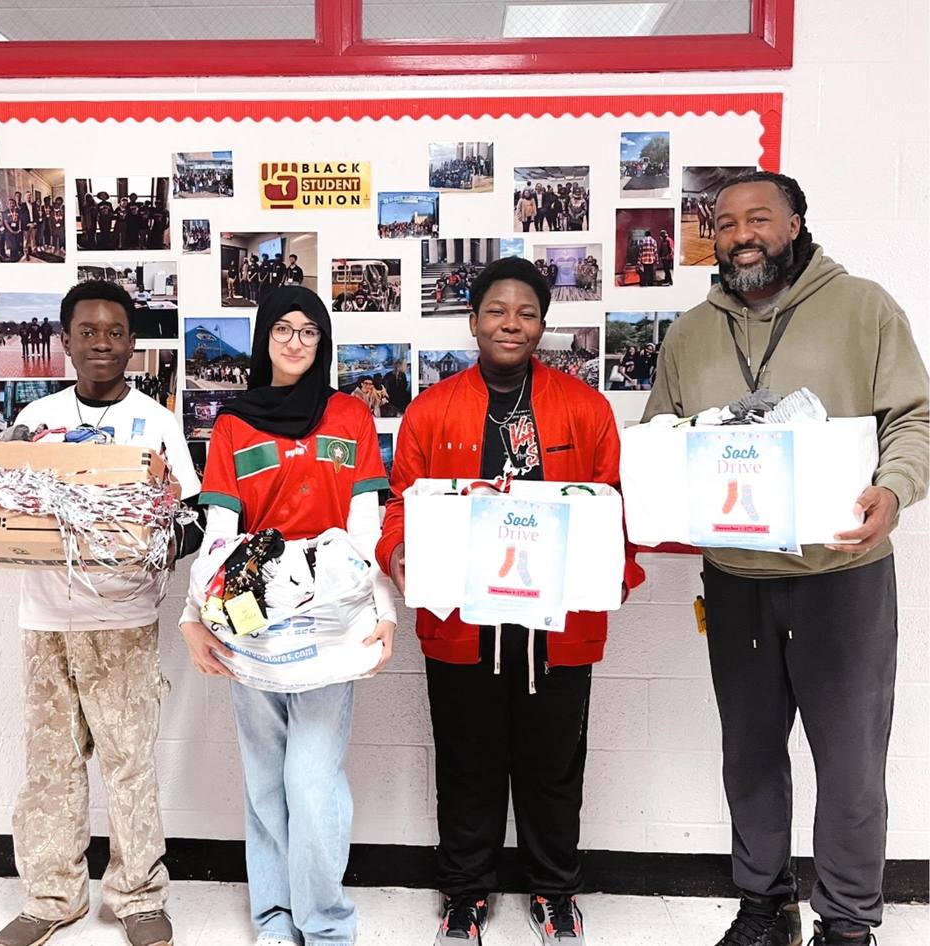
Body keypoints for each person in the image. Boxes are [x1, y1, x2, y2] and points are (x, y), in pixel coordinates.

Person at [643, 171, 929, 946]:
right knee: (751, 756)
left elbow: (915, 416)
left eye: (760, 217)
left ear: (796, 223)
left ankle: (847, 923)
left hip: (842, 579)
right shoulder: (690, 332)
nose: (741, 233)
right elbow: (661, 432)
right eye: (727, 221)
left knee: (850, 766)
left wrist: (895, 492)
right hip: (736, 581)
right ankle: (764, 907)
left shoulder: (863, 307)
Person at [377, 257, 644, 946]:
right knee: (466, 762)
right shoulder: (431, 411)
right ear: (472, 321)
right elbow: (401, 507)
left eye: (526, 313)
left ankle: (554, 891)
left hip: (556, 626)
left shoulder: (586, 409)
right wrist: (398, 552)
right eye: (497, 311)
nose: (511, 324)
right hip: (464, 622)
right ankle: (465, 892)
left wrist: (618, 569)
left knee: (554, 766)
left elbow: (613, 506)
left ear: (543, 326)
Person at [0, 280, 205, 946]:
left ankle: (139, 897)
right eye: (87, 332)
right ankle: (52, 897)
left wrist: (159, 543)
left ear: (133, 344)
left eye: (115, 332)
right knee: (50, 764)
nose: (102, 344)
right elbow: (0, 511)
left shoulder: (157, 422)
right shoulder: (37, 423)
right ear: (65, 341)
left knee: (129, 761)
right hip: (45, 622)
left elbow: (194, 518)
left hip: (124, 623)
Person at [178, 286, 396, 946]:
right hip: (252, 623)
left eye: (309, 331)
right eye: (283, 330)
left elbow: (367, 524)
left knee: (310, 779)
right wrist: (193, 618)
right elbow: (220, 531)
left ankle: (326, 926)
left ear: (322, 342)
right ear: (263, 339)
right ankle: (274, 921)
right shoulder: (233, 425)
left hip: (333, 618)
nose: (297, 341)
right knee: (265, 780)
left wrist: (383, 608)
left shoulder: (349, 416)